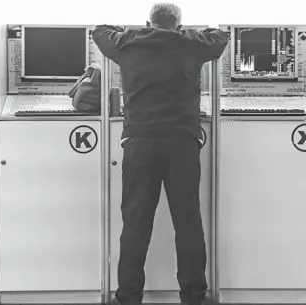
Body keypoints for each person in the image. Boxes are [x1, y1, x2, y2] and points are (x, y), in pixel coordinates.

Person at [92, 3, 228, 305]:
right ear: (178, 26)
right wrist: (187, 34)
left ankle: (128, 297)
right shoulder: (191, 44)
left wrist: (137, 32)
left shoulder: (128, 43)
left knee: (136, 224)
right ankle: (193, 297)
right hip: (182, 143)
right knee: (188, 223)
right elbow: (220, 37)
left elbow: (99, 31)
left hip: (140, 143)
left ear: (148, 22)